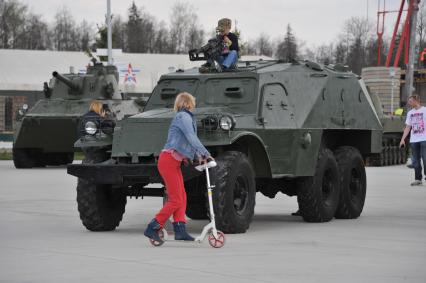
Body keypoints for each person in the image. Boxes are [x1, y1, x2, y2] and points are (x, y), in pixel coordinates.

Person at [144, 92, 213, 243]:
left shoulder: (185, 117)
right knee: (175, 199)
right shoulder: (183, 117)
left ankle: (180, 230)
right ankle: (153, 226)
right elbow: (191, 137)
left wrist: (199, 157)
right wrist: (206, 154)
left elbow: (187, 144)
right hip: (168, 161)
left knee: (182, 196)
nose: (194, 104)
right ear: (188, 102)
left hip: (173, 162)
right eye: (193, 102)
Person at [400, 94, 426, 186]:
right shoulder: (410, 113)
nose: (409, 103)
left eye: (411, 101)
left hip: (424, 139)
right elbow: (408, 127)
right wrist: (403, 139)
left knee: (425, 158)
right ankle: (418, 179)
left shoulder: (425, 110)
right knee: (415, 160)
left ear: (416, 100)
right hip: (414, 139)